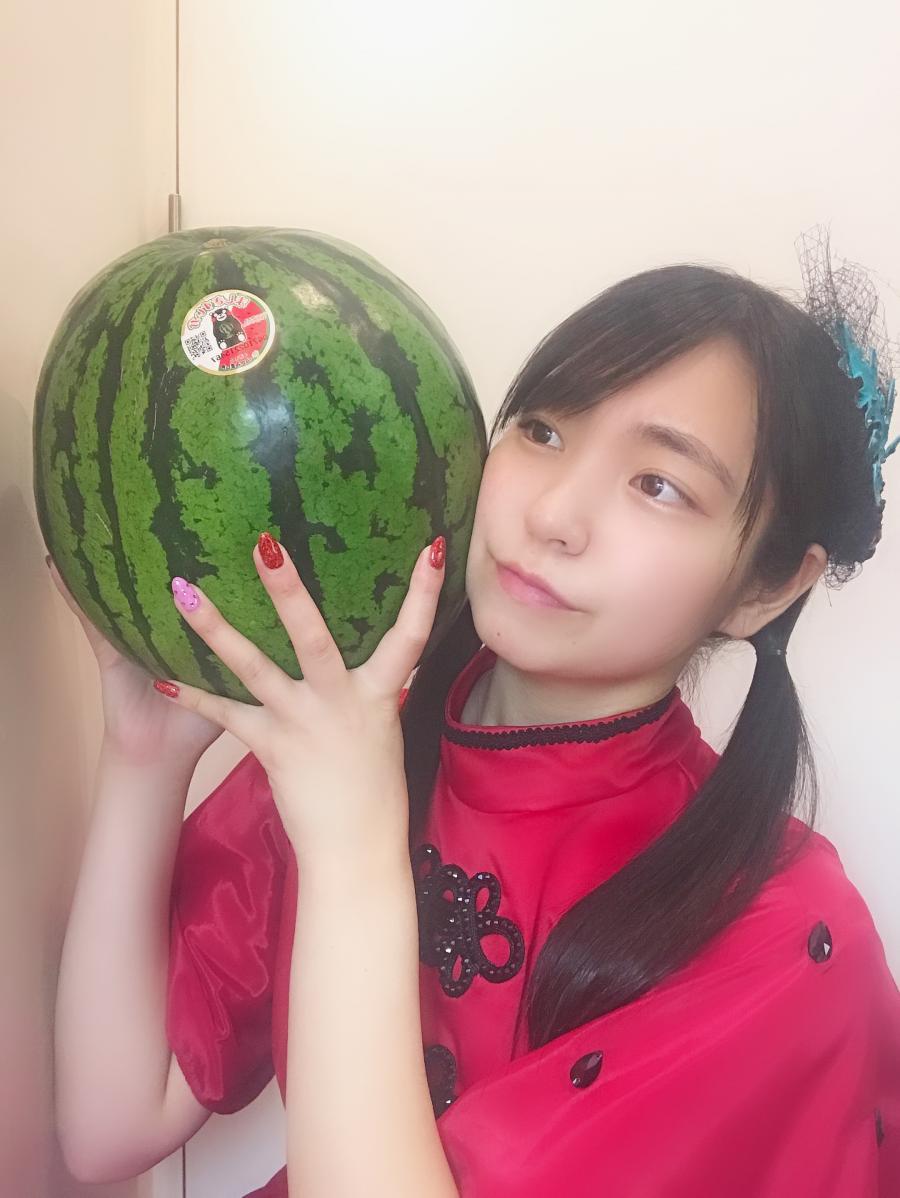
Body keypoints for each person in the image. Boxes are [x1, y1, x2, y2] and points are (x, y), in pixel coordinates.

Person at [52, 231, 900, 1196]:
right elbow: (109, 1128)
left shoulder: (786, 937)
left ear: (766, 588)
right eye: (543, 430)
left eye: (659, 485)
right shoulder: (355, 740)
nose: (553, 516)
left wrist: (354, 859)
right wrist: (146, 756)